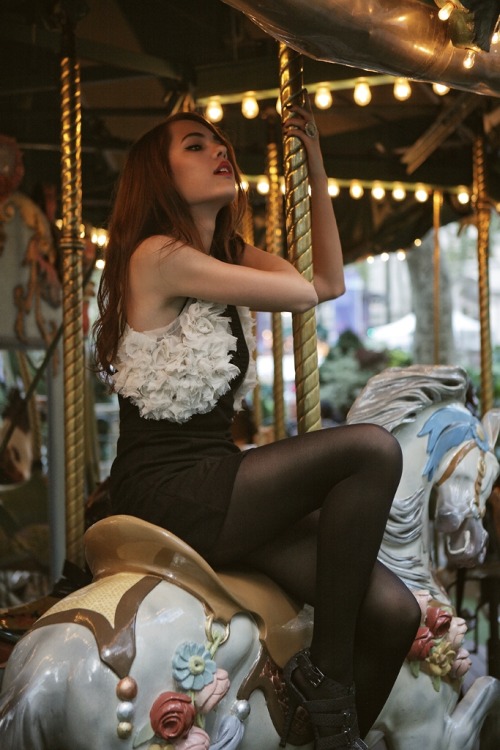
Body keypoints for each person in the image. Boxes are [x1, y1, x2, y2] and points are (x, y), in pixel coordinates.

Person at [93, 105, 420, 750]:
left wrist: (315, 167)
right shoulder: (159, 255)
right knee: (370, 450)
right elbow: (300, 294)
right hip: (170, 488)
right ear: (159, 175)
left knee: (393, 613)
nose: (222, 153)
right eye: (196, 146)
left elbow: (325, 281)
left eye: (222, 146)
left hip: (219, 484)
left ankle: (326, 727)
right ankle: (328, 678)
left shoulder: (224, 254)